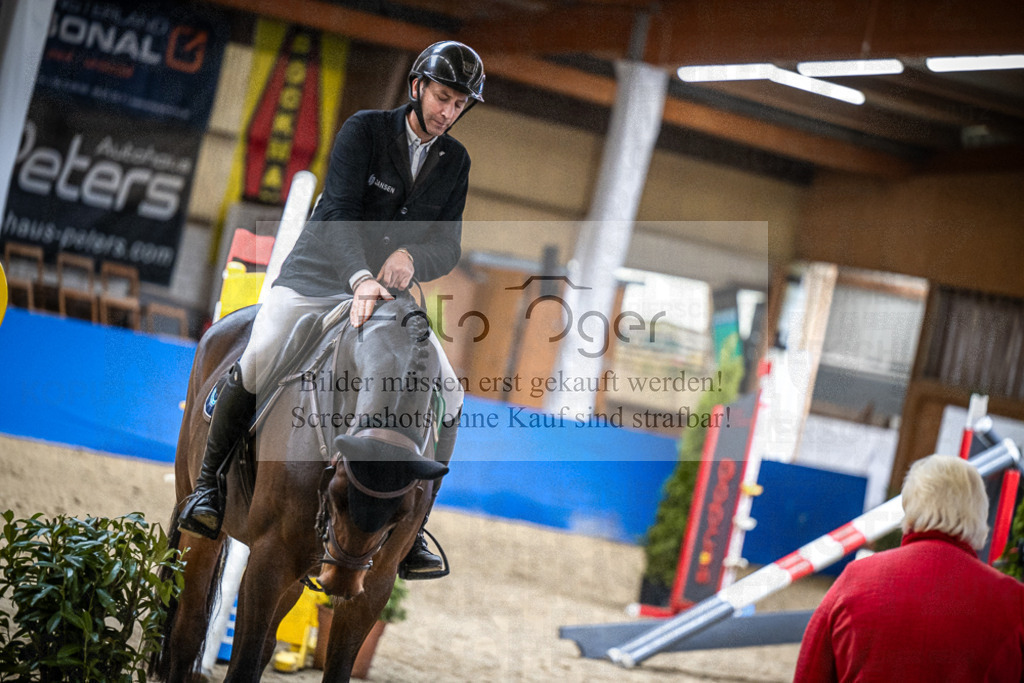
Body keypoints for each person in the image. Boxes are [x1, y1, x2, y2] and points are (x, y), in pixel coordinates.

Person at [177, 41, 485, 581]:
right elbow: (339, 212)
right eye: (442, 98)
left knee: (451, 392)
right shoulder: (364, 131)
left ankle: (414, 534)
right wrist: (360, 277)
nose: (447, 113)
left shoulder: (454, 161)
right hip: (318, 280)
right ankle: (206, 490)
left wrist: (412, 257)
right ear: (417, 87)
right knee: (261, 355)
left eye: (459, 105)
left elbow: (450, 246)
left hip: (390, 300)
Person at [794, 454, 1024, 682]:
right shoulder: (1014, 602)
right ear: (980, 514)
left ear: (910, 507)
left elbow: (810, 672)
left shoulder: (856, 579)